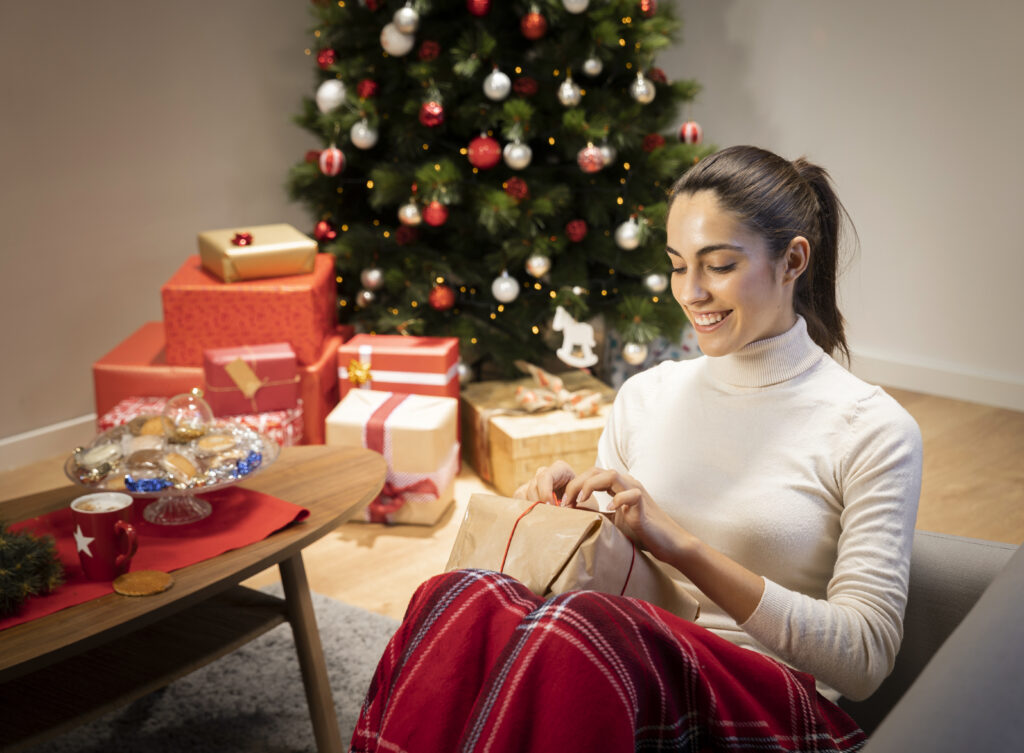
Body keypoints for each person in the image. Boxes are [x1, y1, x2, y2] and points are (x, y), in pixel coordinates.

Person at [351, 146, 922, 753]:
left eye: (719, 265)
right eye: (678, 266)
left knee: (581, 633)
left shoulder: (872, 428)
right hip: (622, 665)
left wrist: (684, 547)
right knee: (459, 593)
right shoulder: (647, 395)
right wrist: (563, 519)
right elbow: (612, 576)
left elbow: (864, 659)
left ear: (793, 261)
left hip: (767, 701)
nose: (692, 292)